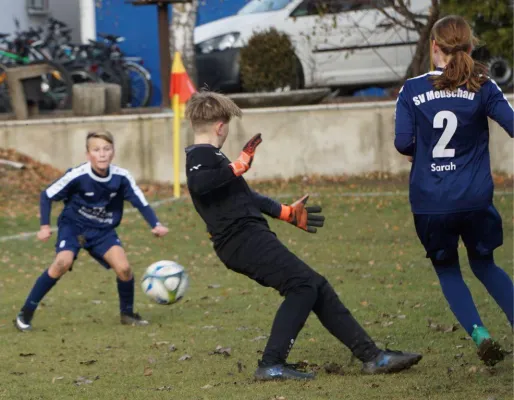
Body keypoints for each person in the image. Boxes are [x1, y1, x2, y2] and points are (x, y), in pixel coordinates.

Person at [184, 90, 422, 381]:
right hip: (241, 242)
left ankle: (372, 356)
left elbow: (245, 196)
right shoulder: (200, 156)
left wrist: (284, 212)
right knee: (302, 285)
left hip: (248, 238)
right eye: (227, 126)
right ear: (220, 126)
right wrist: (236, 166)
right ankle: (271, 364)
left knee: (316, 286)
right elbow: (199, 184)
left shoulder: (212, 157)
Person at [394, 15, 513, 366]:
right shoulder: (483, 85)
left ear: (434, 47)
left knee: (448, 270)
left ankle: (480, 335)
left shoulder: (412, 90)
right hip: (475, 198)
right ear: (471, 46)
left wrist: (426, 154)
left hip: (430, 201)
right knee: (485, 264)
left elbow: (403, 143)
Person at [15, 130, 169, 332]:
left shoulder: (121, 177)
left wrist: (155, 224)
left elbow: (140, 201)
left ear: (113, 152)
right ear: (88, 155)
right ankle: (25, 313)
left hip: (102, 231)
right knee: (62, 262)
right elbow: (47, 195)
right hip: (74, 227)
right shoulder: (78, 175)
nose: (102, 154)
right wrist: (44, 226)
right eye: (96, 150)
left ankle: (128, 314)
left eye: (107, 149)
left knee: (124, 269)